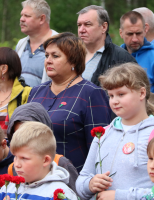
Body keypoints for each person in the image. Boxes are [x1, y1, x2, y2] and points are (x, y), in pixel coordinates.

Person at [76, 63, 154, 200]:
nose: (114, 101)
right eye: (111, 96)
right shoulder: (102, 134)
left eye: (121, 94)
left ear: (142, 93)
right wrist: (90, 184)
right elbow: (82, 179)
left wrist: (120, 196)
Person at [28, 32, 111, 172]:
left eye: (55, 56)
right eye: (46, 55)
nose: (48, 60)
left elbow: (99, 148)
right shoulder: (36, 92)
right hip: (35, 177)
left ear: (73, 61)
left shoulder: (91, 93)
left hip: (72, 180)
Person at [6, 102, 79, 195]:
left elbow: (75, 194)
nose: (23, 137)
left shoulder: (61, 162)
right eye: (18, 133)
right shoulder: (13, 167)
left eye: (30, 132)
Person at [0, 121, 78, 200]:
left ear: (45, 160)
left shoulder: (58, 194)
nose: (16, 164)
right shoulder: (8, 189)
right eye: (15, 156)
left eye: (24, 158)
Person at [76, 5, 136, 86]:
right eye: (79, 25)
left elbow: (134, 92)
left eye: (87, 24)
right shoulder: (71, 54)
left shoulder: (122, 58)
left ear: (104, 27)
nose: (81, 30)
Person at [119, 11, 154, 94]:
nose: (135, 39)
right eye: (130, 34)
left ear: (145, 31)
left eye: (138, 33)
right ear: (121, 33)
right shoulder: (114, 57)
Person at [16, 0, 58, 87]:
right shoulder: (21, 44)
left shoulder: (59, 44)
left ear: (42, 19)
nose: (21, 19)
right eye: (22, 15)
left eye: (27, 16)